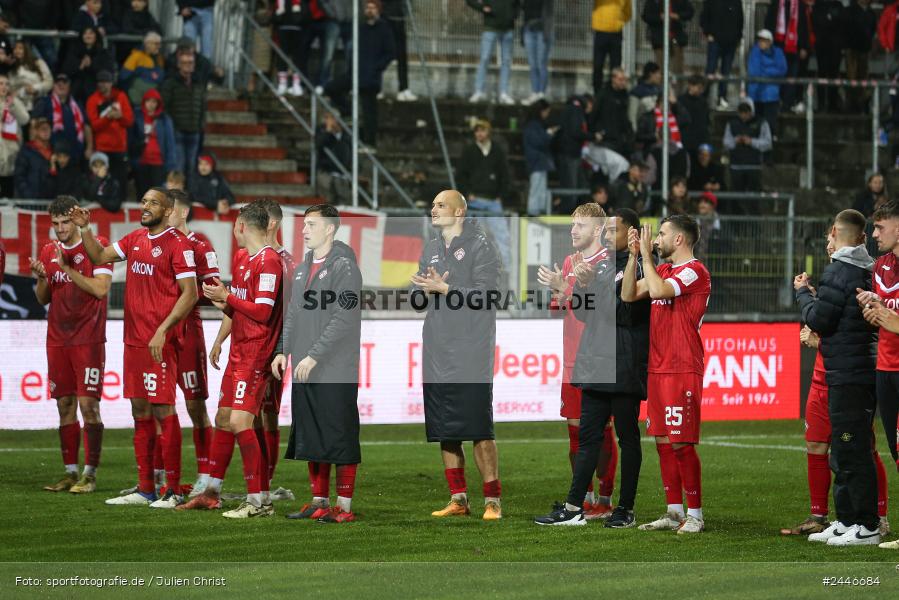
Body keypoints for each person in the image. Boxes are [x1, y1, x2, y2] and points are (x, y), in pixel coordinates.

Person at [72, 187, 198, 508]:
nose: (145, 206)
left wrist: (163, 330)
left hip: (160, 343)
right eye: (143, 201)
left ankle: (172, 489)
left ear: (168, 210)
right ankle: (146, 489)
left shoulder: (178, 245)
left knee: (163, 410)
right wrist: (86, 229)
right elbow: (99, 257)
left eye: (153, 202)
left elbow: (190, 293)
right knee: (139, 411)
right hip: (134, 342)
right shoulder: (134, 239)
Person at [535, 207, 648, 527]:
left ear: (632, 234)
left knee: (627, 438)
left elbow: (624, 312)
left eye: (615, 231)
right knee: (587, 438)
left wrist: (585, 287)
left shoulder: (639, 267)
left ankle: (623, 508)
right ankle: (574, 508)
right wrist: (580, 286)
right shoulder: (600, 267)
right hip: (595, 361)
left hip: (623, 364)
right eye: (607, 231)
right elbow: (585, 315)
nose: (608, 236)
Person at [412, 190, 503, 520]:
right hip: (437, 347)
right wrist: (422, 291)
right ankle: (459, 499)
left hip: (471, 349)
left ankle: (492, 501)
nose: (433, 209)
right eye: (432, 204)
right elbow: (420, 298)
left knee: (479, 427)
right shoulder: (433, 248)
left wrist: (447, 290)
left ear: (460, 212)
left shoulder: (481, 246)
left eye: (440, 205)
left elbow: (489, 296)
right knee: (444, 428)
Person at [272, 204, 363, 523]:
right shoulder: (302, 267)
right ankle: (319, 501)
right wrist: (284, 350)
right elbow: (294, 312)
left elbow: (345, 316)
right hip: (304, 365)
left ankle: (344, 506)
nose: (304, 229)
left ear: (330, 229)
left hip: (335, 366)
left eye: (311, 224)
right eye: (304, 224)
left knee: (339, 433)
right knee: (311, 431)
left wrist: (314, 354)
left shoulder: (344, 266)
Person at [622, 215, 711, 535]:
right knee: (662, 440)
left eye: (661, 234)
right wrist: (634, 255)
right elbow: (628, 294)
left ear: (679, 240)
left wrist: (645, 254)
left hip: (682, 367)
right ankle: (674, 511)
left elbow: (659, 289)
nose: (656, 239)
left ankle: (696, 515)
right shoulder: (663, 270)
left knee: (681, 444)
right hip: (658, 367)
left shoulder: (694, 271)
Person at [796, 209, 880, 546]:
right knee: (846, 451)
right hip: (855, 368)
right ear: (862, 237)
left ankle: (867, 525)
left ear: (833, 231)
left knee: (852, 450)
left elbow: (820, 319)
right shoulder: (867, 270)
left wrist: (803, 293)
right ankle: (847, 521)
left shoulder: (838, 271)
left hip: (848, 372)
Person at [195, 208, 283, 520]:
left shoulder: (270, 260)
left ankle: (259, 501)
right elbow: (239, 305)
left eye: (235, 224)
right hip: (237, 351)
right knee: (225, 418)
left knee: (241, 423)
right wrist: (223, 306)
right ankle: (217, 493)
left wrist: (227, 297)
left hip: (256, 353)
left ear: (242, 225)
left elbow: (261, 312)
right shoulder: (244, 257)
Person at [31, 196, 111, 495]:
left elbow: (101, 290)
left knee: (89, 406)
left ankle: (90, 476)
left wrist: (69, 268)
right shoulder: (48, 250)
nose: (60, 229)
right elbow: (43, 298)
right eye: (55, 223)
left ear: (75, 218)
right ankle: (70, 473)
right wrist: (41, 278)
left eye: (65, 222)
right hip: (57, 339)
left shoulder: (96, 245)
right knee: (64, 405)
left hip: (88, 339)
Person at [164, 190, 220, 498]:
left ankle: (206, 474)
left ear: (182, 213)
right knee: (158, 404)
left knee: (195, 404)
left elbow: (213, 288)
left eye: (168, 209)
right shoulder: (156, 243)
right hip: (159, 332)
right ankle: (160, 477)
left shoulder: (200, 246)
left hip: (188, 334)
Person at [323, 1, 395, 148]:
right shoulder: (360, 28)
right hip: (355, 73)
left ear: (378, 10)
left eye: (373, 8)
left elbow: (390, 52)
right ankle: (347, 110)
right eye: (367, 8)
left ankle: (370, 142)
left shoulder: (384, 29)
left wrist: (377, 68)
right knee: (331, 88)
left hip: (370, 77)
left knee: (369, 111)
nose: (369, 11)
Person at [455, 120, 512, 270]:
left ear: (488, 132)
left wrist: (501, 195)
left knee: (503, 237)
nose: (479, 133)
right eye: (477, 131)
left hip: (493, 201)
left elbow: (504, 174)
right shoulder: (469, 150)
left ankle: (507, 270)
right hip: (475, 201)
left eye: (482, 130)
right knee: (471, 236)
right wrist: (467, 194)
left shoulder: (497, 151)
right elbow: (460, 175)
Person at [86, 71, 134, 197]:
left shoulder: (121, 96)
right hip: (102, 150)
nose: (103, 85)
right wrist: (108, 117)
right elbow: (94, 126)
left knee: (121, 183)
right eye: (100, 82)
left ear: (111, 83)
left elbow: (129, 121)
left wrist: (120, 117)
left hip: (119, 149)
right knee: (101, 183)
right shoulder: (93, 100)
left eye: (106, 82)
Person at [160, 51, 206, 181]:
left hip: (194, 131)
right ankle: (177, 196)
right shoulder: (171, 83)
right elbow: (165, 106)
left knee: (191, 167)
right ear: (178, 65)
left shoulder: (198, 84)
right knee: (178, 167)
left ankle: (189, 197)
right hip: (177, 132)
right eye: (184, 63)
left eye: (190, 63)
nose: (188, 65)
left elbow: (202, 107)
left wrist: (201, 125)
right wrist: (171, 127)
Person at [765, 0, 812, 114]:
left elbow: (804, 27)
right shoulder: (776, 3)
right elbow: (769, 23)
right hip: (778, 45)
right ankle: (777, 101)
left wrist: (804, 47)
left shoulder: (800, 5)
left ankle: (788, 104)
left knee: (792, 76)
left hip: (794, 46)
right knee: (778, 75)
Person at [33, 74, 93, 162]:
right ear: (53, 86)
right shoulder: (44, 102)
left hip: (76, 153)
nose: (61, 85)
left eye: (64, 82)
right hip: (52, 154)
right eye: (58, 83)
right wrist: (37, 149)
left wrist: (89, 148)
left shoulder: (77, 105)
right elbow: (34, 124)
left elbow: (86, 126)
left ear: (69, 86)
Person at [467, 0, 517, 105]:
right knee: (485, 58)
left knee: (506, 61)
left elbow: (518, 4)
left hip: (508, 29)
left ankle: (503, 93)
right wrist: (482, 8)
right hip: (490, 27)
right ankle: (479, 91)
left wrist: (513, 15)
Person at [130, 89, 177, 198]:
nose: (151, 104)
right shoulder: (136, 117)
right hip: (141, 162)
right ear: (144, 102)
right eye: (148, 101)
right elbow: (131, 139)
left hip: (158, 164)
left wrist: (171, 166)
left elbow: (170, 144)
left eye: (154, 102)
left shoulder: (165, 119)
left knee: (157, 197)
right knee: (142, 196)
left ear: (158, 104)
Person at [723, 101, 772, 198]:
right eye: (741, 112)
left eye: (746, 112)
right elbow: (726, 142)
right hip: (736, 166)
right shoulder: (732, 123)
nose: (744, 115)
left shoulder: (761, 122)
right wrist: (735, 141)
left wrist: (751, 142)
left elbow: (768, 143)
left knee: (754, 197)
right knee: (735, 197)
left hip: (754, 166)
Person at [700, 0, 743, 110]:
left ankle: (722, 97)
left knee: (726, 71)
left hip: (730, 42)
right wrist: (707, 33)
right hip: (715, 40)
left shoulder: (736, 2)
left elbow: (740, 19)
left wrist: (737, 38)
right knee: (711, 69)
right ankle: (704, 96)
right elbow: (704, 16)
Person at [555, 96, 592, 212]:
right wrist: (592, 136)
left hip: (570, 153)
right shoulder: (576, 111)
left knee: (576, 184)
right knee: (571, 185)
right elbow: (576, 132)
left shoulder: (570, 109)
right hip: (571, 154)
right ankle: (568, 211)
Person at [641, 0, 694, 81]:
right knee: (660, 69)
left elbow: (690, 12)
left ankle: (677, 92)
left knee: (678, 69)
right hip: (659, 40)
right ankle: (661, 92)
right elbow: (646, 16)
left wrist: (678, 16)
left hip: (677, 39)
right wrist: (659, 17)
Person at [747, 30, 787, 133]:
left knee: (770, 123)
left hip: (771, 94)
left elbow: (782, 69)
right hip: (756, 93)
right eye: (759, 40)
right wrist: (771, 72)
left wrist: (765, 71)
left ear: (770, 42)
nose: (761, 42)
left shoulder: (778, 52)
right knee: (756, 123)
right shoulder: (754, 52)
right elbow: (754, 71)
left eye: (764, 40)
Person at [62, 26, 114, 104]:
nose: (88, 36)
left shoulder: (103, 53)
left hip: (95, 85)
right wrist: (80, 66)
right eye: (85, 33)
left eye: (91, 33)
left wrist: (91, 65)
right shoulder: (74, 51)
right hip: (76, 86)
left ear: (96, 36)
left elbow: (107, 71)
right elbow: (66, 69)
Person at [523, 99, 556, 216]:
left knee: (541, 188)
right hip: (536, 161)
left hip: (539, 162)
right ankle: (533, 211)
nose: (547, 114)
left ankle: (539, 210)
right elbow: (538, 141)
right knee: (536, 187)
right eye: (546, 111)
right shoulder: (533, 125)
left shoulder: (534, 124)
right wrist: (549, 134)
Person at [591, 0, 631, 95]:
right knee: (598, 65)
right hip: (601, 31)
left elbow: (628, 12)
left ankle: (612, 93)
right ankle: (597, 93)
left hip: (615, 32)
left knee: (615, 67)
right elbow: (627, 13)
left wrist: (619, 22)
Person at [812, 1, 844, 113]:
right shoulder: (818, 5)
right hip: (821, 46)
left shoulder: (838, 5)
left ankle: (833, 104)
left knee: (834, 74)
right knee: (822, 74)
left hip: (836, 47)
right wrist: (829, 19)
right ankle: (821, 104)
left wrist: (830, 20)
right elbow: (817, 22)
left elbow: (841, 22)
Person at [594, 68, 634, 158]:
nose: (623, 82)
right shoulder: (603, 94)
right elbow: (595, 114)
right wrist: (598, 132)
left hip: (620, 139)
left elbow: (625, 117)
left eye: (625, 80)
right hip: (607, 139)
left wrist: (629, 135)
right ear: (613, 79)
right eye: (620, 79)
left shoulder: (624, 95)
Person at [845, 0, 876, 114]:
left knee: (863, 78)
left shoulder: (870, 13)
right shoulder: (850, 11)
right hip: (852, 49)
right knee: (852, 77)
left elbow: (872, 29)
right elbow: (847, 29)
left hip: (864, 50)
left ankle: (861, 105)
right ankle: (852, 106)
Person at [0, 73, 28, 198]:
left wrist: (12, 106)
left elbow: (25, 119)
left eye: (7, 84)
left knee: (9, 197)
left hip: (12, 156)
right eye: (1, 83)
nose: (4, 87)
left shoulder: (14, 102)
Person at [314, 110, 351, 204]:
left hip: (342, 173)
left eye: (331, 118)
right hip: (326, 172)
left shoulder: (346, 133)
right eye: (326, 118)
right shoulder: (321, 130)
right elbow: (318, 144)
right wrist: (328, 131)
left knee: (344, 202)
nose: (329, 121)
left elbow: (349, 150)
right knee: (327, 202)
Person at [120, 31, 165, 108]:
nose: (159, 46)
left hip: (154, 102)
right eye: (156, 44)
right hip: (137, 102)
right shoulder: (135, 57)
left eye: (160, 44)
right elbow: (123, 77)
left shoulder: (160, 58)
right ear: (148, 44)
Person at [521, 0, 553, 106]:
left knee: (541, 63)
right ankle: (534, 92)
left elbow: (548, 11)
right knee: (532, 64)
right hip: (528, 29)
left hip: (542, 30)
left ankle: (541, 93)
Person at [14, 117, 53, 199]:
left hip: (50, 203)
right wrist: (28, 195)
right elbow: (19, 176)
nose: (45, 131)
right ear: (35, 131)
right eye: (42, 129)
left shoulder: (55, 151)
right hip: (30, 203)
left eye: (47, 128)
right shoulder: (26, 151)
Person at [273, 0, 306, 97]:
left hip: (298, 30)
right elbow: (275, 17)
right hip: (283, 29)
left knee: (298, 58)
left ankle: (296, 83)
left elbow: (306, 15)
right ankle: (282, 84)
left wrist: (299, 14)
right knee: (282, 57)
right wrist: (278, 13)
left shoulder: (300, 2)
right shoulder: (280, 1)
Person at [9, 41, 52, 113]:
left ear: (26, 49)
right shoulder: (11, 69)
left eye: (20, 48)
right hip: (21, 106)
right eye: (15, 48)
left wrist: (35, 88)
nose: (17, 51)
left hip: (39, 101)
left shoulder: (38, 62)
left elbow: (49, 82)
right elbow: (11, 90)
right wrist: (23, 91)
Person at [678, 75, 709, 163]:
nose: (700, 91)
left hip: (699, 142)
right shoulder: (681, 101)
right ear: (690, 85)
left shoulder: (703, 102)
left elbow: (705, 122)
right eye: (698, 87)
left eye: (702, 88)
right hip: (685, 141)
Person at [693, 191, 720, 260]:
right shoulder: (695, 220)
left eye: (705, 202)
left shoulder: (717, 220)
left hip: (714, 257)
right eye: (700, 202)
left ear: (712, 206)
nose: (701, 205)